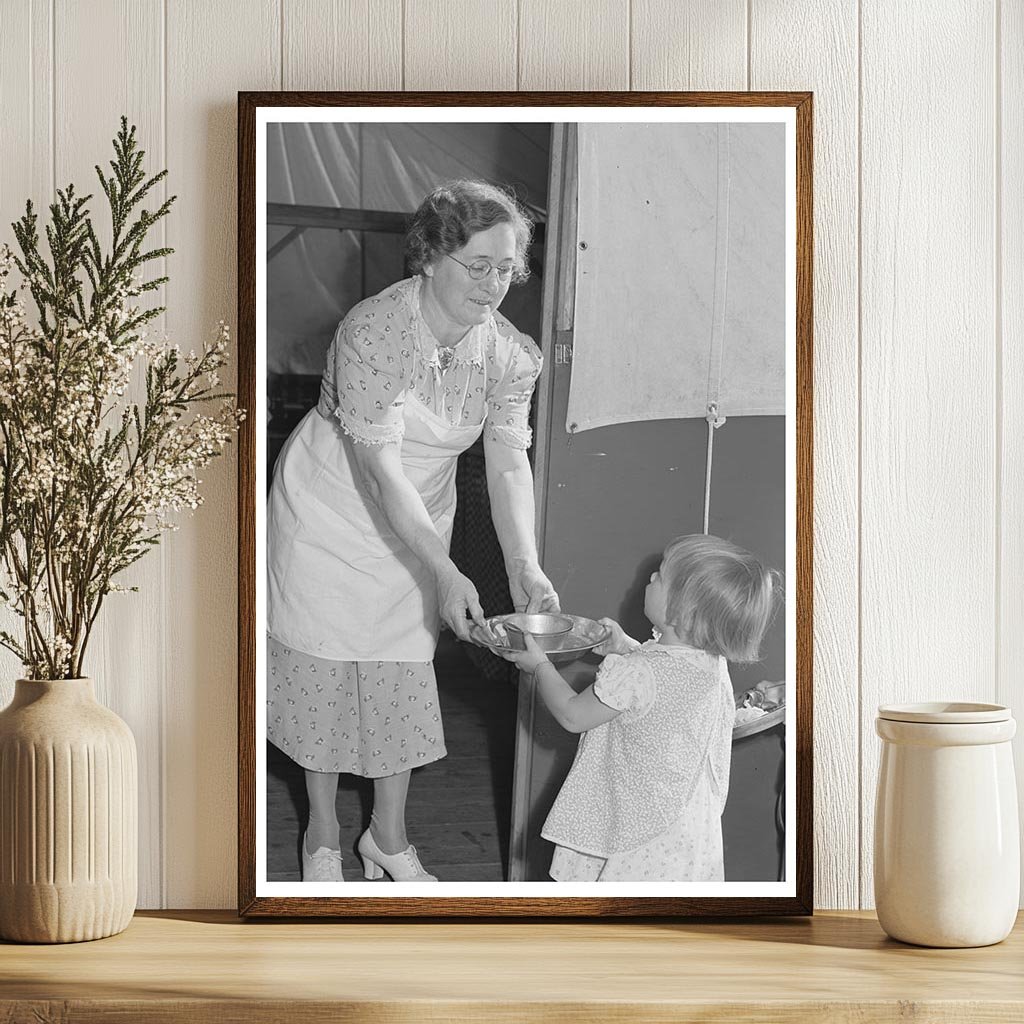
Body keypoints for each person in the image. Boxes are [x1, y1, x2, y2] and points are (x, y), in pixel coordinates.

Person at [267, 180, 559, 883]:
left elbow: (508, 461)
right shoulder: (373, 332)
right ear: (430, 256)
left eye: (506, 269)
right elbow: (378, 472)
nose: (493, 286)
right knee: (325, 663)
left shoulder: (512, 356)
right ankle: (324, 834)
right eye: (477, 266)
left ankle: (387, 838)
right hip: (333, 505)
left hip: (420, 513)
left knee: (400, 665)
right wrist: (444, 566)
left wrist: (526, 564)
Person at [498, 534, 778, 882]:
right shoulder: (710, 663)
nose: (650, 578)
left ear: (682, 612)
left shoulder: (637, 673)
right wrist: (626, 647)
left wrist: (540, 667)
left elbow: (573, 715)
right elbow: (666, 681)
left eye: (660, 576)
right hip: (685, 830)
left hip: (636, 832)